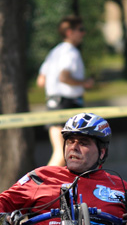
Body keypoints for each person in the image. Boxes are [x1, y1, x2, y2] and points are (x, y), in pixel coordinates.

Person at [36, 15, 95, 167]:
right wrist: (85, 83)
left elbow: (41, 81)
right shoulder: (71, 52)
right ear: (69, 32)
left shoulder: (54, 52)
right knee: (64, 154)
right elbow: (64, 77)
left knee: (63, 153)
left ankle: (49, 188)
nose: (83, 33)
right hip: (67, 105)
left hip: (53, 104)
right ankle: (41, 188)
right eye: (80, 29)